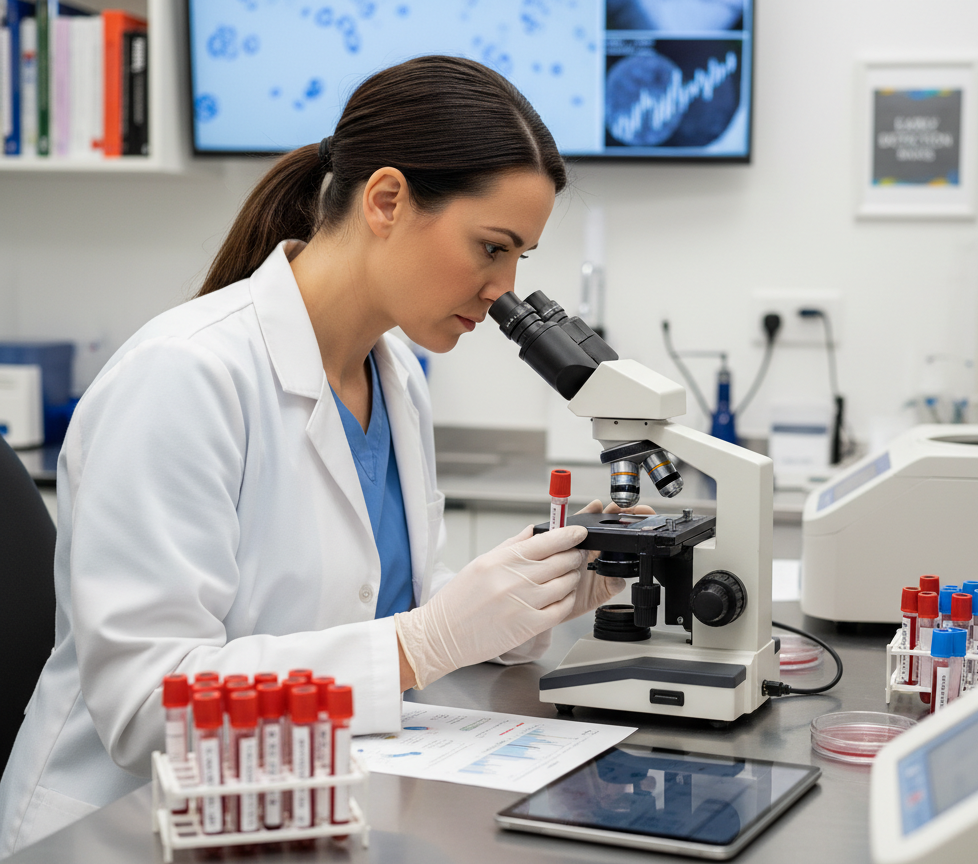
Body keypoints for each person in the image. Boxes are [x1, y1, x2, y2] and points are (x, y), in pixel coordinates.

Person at [0, 56, 631, 854]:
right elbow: (146, 705)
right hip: (122, 829)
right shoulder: (183, 375)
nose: (502, 290)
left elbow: (352, 600)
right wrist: (419, 644)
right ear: (388, 200)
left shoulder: (394, 371)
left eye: (520, 261)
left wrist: (525, 597)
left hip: (302, 806)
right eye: (491, 247)